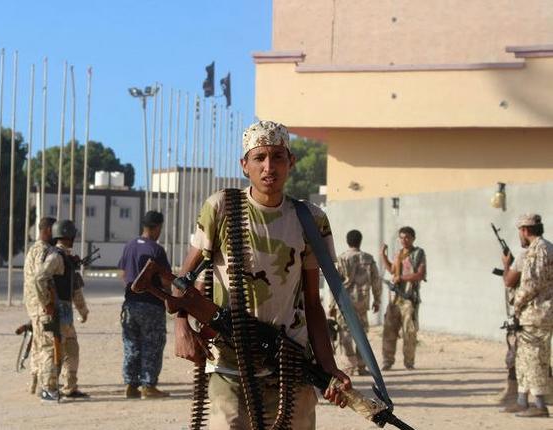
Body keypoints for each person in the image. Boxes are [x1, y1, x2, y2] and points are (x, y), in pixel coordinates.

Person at [174, 120, 351, 429]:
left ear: (291, 162)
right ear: (245, 165)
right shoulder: (221, 209)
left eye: (278, 156)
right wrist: (181, 328)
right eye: (260, 157)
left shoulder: (310, 219)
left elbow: (312, 302)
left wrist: (327, 367)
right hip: (230, 360)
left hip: (289, 363)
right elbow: (181, 282)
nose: (269, 166)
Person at [502, 214, 553, 418]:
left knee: (536, 358)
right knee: (523, 357)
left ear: (525, 230)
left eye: (520, 231)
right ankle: (523, 401)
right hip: (533, 313)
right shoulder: (545, 248)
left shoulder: (538, 250)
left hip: (537, 312)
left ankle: (540, 405)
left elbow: (532, 283)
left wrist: (517, 303)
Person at [118, 210, 172, 399]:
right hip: (151, 304)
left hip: (130, 304)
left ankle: (131, 385)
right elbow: (165, 281)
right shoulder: (156, 250)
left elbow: (123, 274)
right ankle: (148, 386)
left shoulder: (130, 246)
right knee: (153, 344)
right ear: (157, 227)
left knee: (131, 343)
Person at [22, 217, 65, 402]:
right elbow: (40, 279)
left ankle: (37, 384)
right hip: (43, 308)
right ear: (48, 229)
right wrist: (47, 303)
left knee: (39, 347)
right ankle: (48, 390)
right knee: (49, 348)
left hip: (33, 307)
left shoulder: (33, 249)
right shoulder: (47, 252)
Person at [330, 229, 381, 376]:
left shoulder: (341, 259)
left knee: (345, 333)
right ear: (360, 241)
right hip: (362, 302)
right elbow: (376, 281)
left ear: (348, 241)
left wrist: (332, 305)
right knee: (362, 334)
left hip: (345, 302)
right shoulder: (368, 259)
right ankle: (361, 365)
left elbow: (335, 283)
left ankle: (350, 365)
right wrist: (377, 300)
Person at [51, 219, 91, 399]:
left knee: (71, 349)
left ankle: (70, 386)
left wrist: (82, 311)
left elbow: (73, 288)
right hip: (57, 311)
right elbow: (42, 280)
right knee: (56, 350)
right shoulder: (56, 257)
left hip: (64, 312)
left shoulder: (65, 258)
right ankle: (51, 387)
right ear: (68, 235)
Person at [380, 226, 426, 371]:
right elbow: (392, 271)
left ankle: (409, 362)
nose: (404, 240)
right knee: (389, 330)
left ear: (413, 238)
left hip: (409, 298)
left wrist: (402, 277)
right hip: (395, 299)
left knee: (409, 332)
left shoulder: (418, 254)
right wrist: (383, 256)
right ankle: (387, 361)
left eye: (407, 237)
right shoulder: (398, 254)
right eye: (401, 237)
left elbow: (420, 274)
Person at [494, 245, 526, 406]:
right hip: (541, 315)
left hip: (524, 315)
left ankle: (513, 393)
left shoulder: (526, 256)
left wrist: (507, 264)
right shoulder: (547, 252)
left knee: (513, 355)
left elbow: (508, 281)